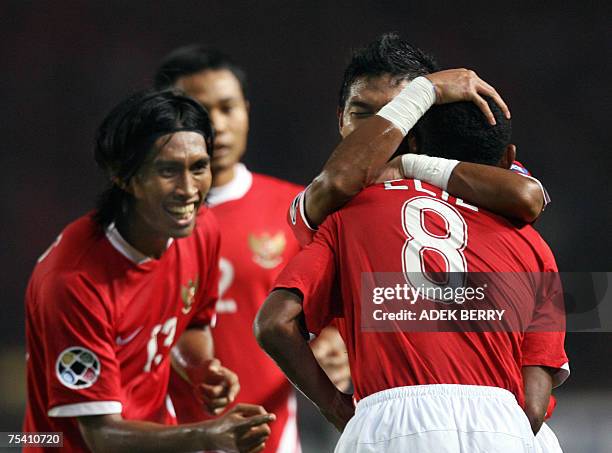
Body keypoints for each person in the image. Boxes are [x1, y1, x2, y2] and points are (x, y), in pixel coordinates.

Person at [255, 37, 568, 452]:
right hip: (502, 425)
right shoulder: (516, 229)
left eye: (399, 113)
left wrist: (341, 412)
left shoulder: (346, 216)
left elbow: (528, 194)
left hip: (393, 419)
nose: (382, 130)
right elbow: (529, 197)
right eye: (362, 114)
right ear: (339, 120)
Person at [23, 90, 274, 453]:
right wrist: (207, 435)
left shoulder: (200, 228)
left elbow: (191, 324)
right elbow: (102, 436)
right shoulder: (74, 283)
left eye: (198, 167)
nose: (189, 190)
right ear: (124, 177)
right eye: (168, 170)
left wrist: (202, 367)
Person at [154, 46, 348, 453]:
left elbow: (342, 311)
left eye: (228, 108)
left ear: (247, 109)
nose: (217, 126)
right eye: (200, 111)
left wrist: (336, 342)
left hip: (269, 440)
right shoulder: (141, 224)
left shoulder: (297, 211)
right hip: (160, 436)